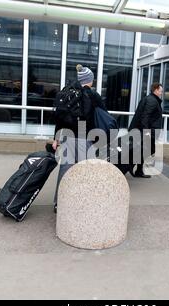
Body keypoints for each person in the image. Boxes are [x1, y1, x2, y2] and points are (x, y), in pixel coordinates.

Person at [52, 64, 103, 213]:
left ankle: (59, 203)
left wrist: (55, 138)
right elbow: (103, 116)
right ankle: (82, 201)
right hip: (85, 137)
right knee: (86, 170)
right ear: (90, 80)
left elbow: (59, 118)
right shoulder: (93, 95)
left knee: (65, 169)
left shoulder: (67, 92)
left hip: (67, 136)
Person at [128, 82, 163, 178]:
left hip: (143, 130)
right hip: (146, 131)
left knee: (144, 150)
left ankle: (138, 170)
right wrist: (146, 132)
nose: (161, 93)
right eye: (160, 91)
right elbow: (145, 117)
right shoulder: (152, 101)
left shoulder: (149, 99)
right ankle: (131, 166)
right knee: (148, 150)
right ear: (155, 90)